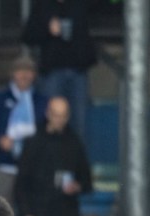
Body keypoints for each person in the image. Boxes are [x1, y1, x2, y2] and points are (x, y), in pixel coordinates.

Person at [15, 96, 92, 216]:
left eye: (63, 116)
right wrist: (26, 214)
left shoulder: (74, 142)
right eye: (56, 115)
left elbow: (86, 179)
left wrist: (77, 186)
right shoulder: (34, 142)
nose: (59, 119)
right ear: (48, 114)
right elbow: (21, 182)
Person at [20, 0, 96, 141]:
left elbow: (104, 11)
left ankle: (75, 161)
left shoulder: (80, 4)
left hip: (78, 70)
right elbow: (27, 36)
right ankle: (49, 159)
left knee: (80, 123)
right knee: (50, 120)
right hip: (52, 72)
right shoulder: (43, 5)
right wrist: (47, 29)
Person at [0, 57, 47, 206]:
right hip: (5, 166)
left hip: (35, 168)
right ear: (12, 74)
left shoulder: (42, 101)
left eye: (28, 71)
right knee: (2, 213)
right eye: (20, 71)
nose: (24, 75)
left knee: (32, 213)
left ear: (34, 75)